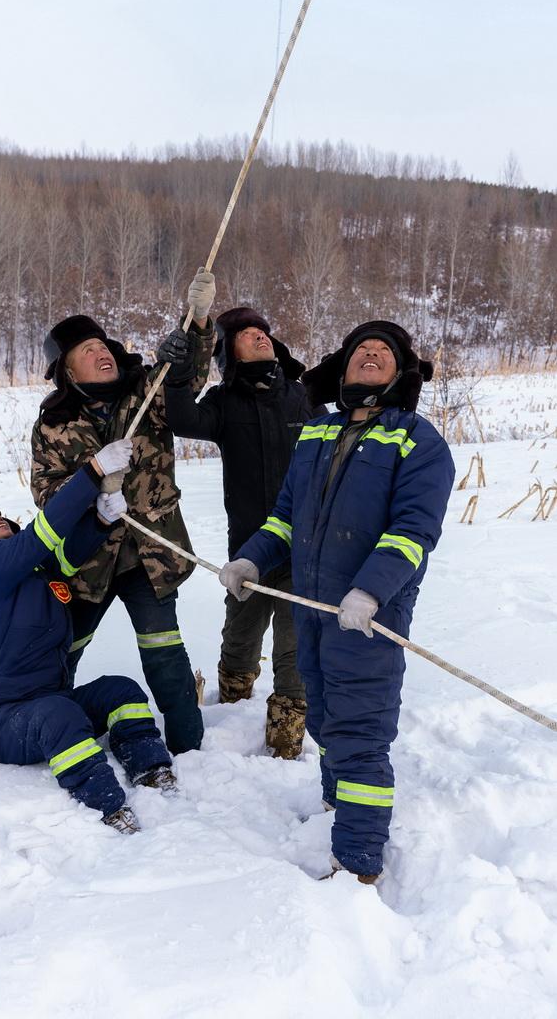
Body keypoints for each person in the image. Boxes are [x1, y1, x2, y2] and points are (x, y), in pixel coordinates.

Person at [219, 321, 455, 881]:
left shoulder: (418, 441)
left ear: (400, 375)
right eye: (360, 351)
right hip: (314, 610)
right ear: (343, 369)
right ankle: (335, 804)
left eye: (384, 352)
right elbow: (285, 517)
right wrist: (252, 557)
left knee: (359, 734)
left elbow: (413, 531)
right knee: (323, 718)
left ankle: (358, 862)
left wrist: (371, 589)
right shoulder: (315, 433)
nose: (370, 355)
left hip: (369, 617)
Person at [0, 441, 175, 835]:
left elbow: (62, 557)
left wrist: (100, 522)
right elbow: (41, 534)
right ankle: (108, 807)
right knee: (59, 716)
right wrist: (92, 473)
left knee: (120, 691)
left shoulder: (29, 567)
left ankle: (151, 770)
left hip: (51, 701)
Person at [30, 270, 216, 756]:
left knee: (164, 653)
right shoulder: (53, 426)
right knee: (64, 651)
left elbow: (185, 375)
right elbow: (46, 494)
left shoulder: (146, 394)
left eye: (102, 345)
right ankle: (49, 725)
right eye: (86, 351)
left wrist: (196, 324)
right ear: (69, 373)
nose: (101, 352)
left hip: (150, 555)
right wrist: (91, 484)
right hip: (87, 561)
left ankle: (187, 748)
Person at [160, 306, 319, 759]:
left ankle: (285, 748)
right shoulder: (224, 401)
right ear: (230, 353)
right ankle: (230, 709)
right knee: (240, 638)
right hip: (249, 549)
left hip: (303, 553)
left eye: (262, 331)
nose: (259, 337)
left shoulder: (302, 397)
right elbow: (183, 420)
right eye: (247, 334)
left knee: (294, 652)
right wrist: (178, 370)